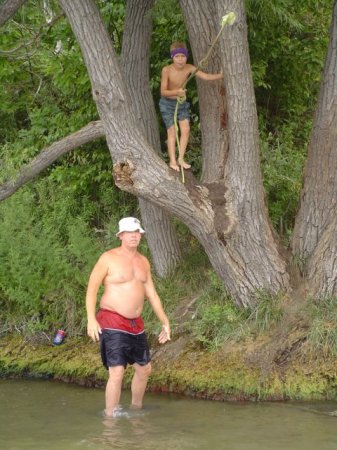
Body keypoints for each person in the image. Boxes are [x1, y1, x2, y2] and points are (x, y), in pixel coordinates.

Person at [86, 216, 171, 418]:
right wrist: (91, 319)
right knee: (117, 372)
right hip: (112, 319)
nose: (134, 236)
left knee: (145, 369)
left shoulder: (143, 261)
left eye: (137, 232)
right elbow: (92, 289)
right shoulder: (108, 258)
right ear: (121, 235)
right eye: (130, 232)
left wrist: (165, 322)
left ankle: (136, 410)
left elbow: (152, 294)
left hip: (135, 323)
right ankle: (110, 419)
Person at [159, 41, 223, 172]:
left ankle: (181, 159)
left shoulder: (189, 68)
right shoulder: (167, 70)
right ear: (172, 57)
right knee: (172, 131)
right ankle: (172, 161)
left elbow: (205, 76)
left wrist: (221, 75)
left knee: (186, 129)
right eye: (177, 57)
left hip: (181, 103)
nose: (180, 60)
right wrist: (176, 92)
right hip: (167, 104)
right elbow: (163, 92)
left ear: (186, 56)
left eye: (183, 56)